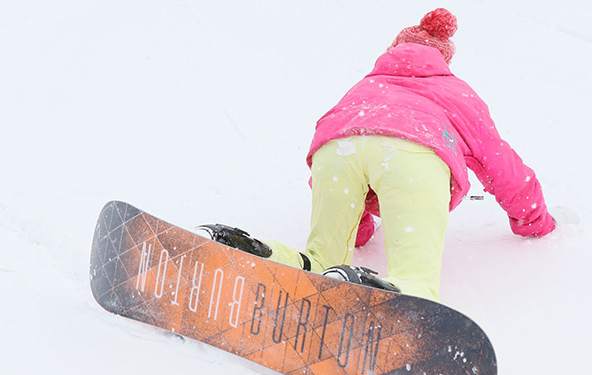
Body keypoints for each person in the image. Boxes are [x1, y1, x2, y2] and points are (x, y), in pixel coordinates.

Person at [203, 8, 555, 302]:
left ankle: (265, 254)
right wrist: (535, 222)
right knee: (414, 276)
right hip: (414, 155)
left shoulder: (367, 85)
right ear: (444, 59)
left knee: (320, 259)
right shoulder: (457, 92)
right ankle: (394, 293)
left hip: (337, 152)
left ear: (392, 50)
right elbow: (503, 167)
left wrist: (355, 227)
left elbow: (349, 145)